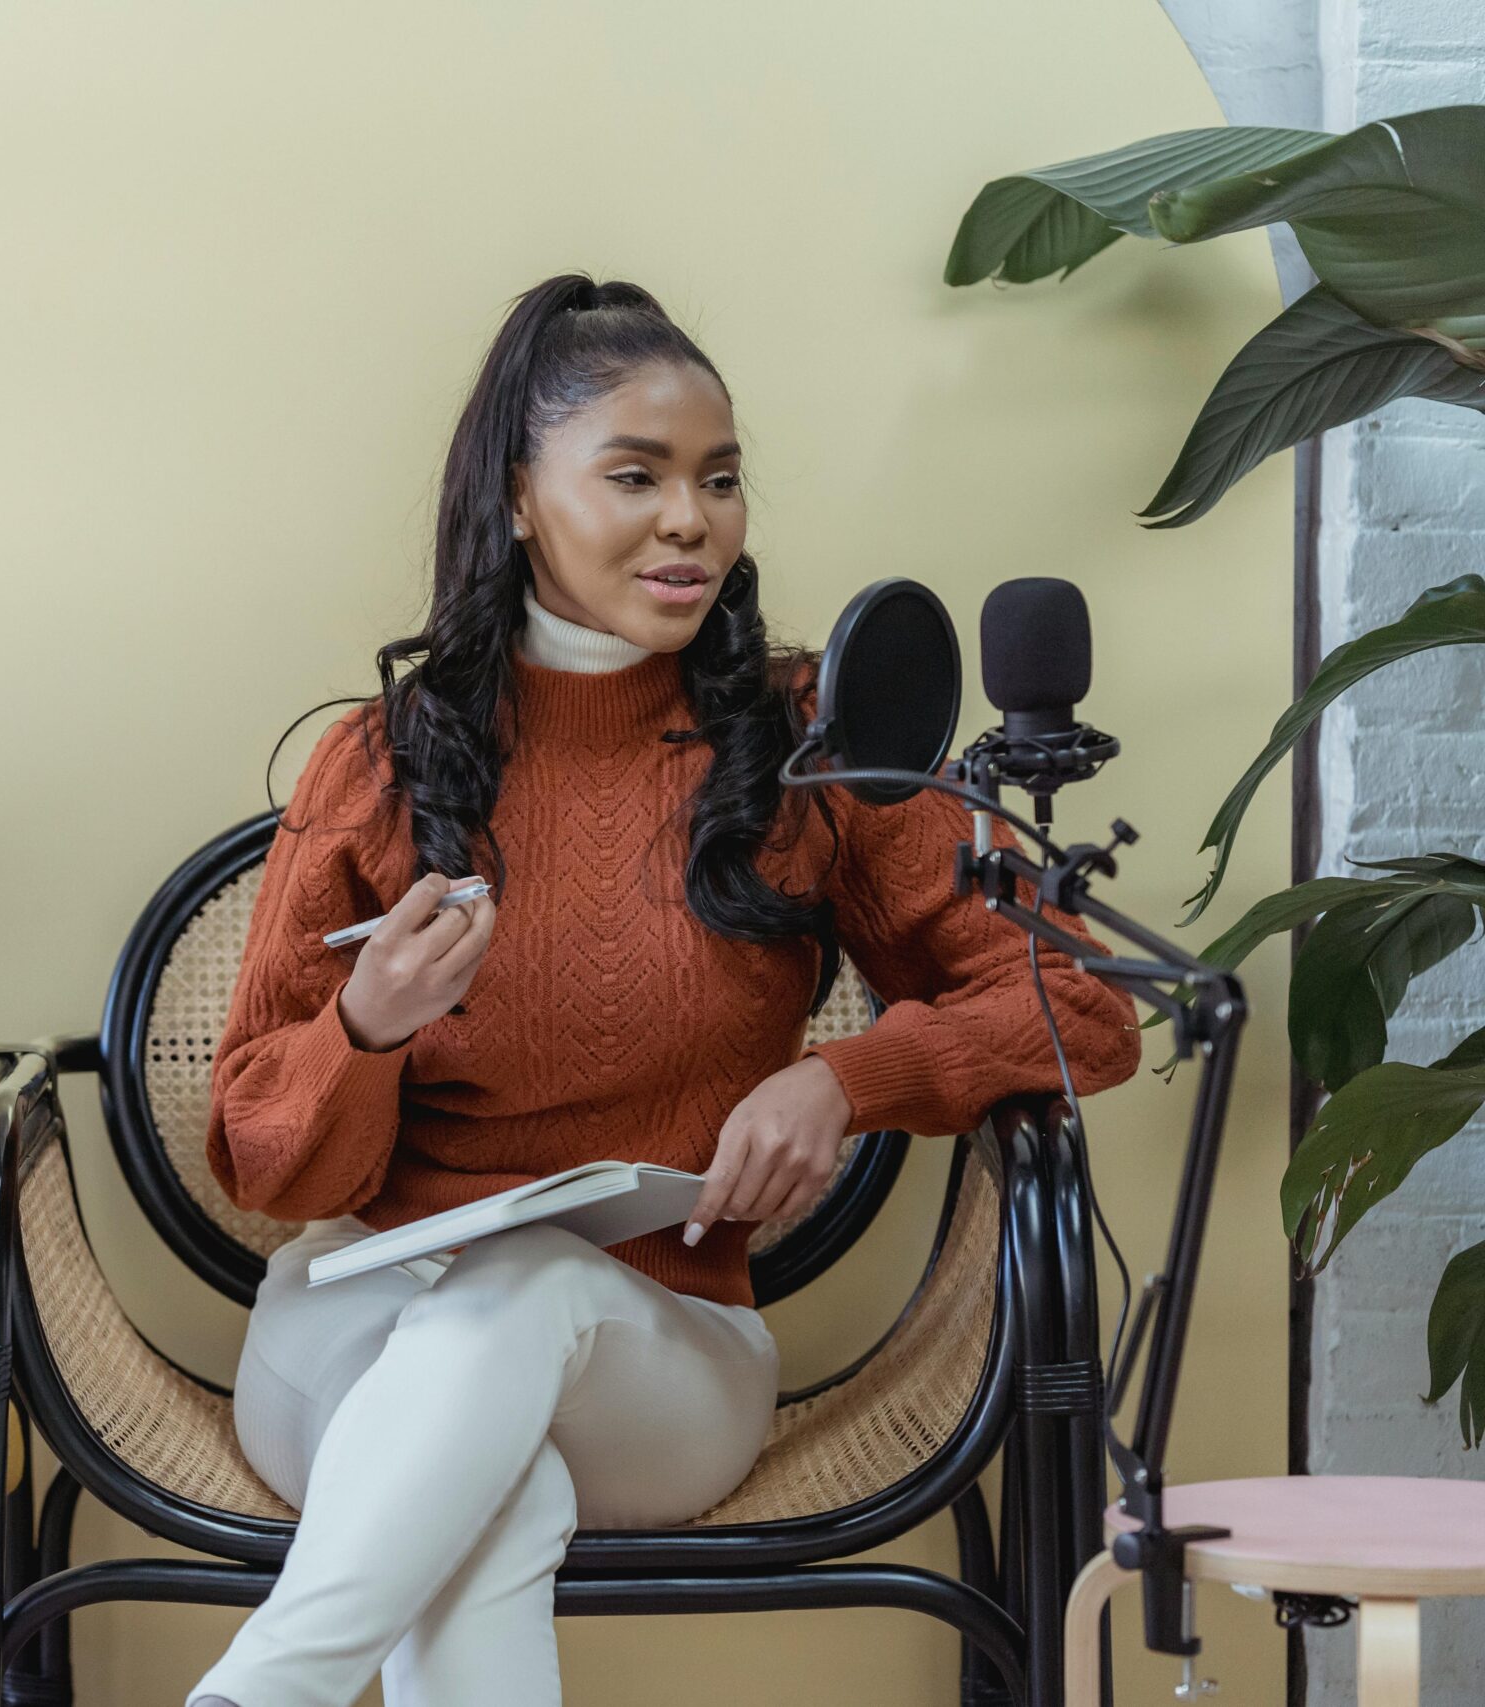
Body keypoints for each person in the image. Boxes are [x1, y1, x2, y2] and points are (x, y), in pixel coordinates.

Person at [184, 273, 1145, 1707]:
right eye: (634, 476)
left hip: (664, 1351)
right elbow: (264, 1162)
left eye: (720, 479)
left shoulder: (812, 743)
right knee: (481, 1491)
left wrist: (848, 1076)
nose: (690, 519)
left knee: (516, 1299)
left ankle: (259, 1691)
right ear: (519, 498)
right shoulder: (381, 765)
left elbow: (1087, 1006)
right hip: (351, 1334)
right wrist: (363, 1028)